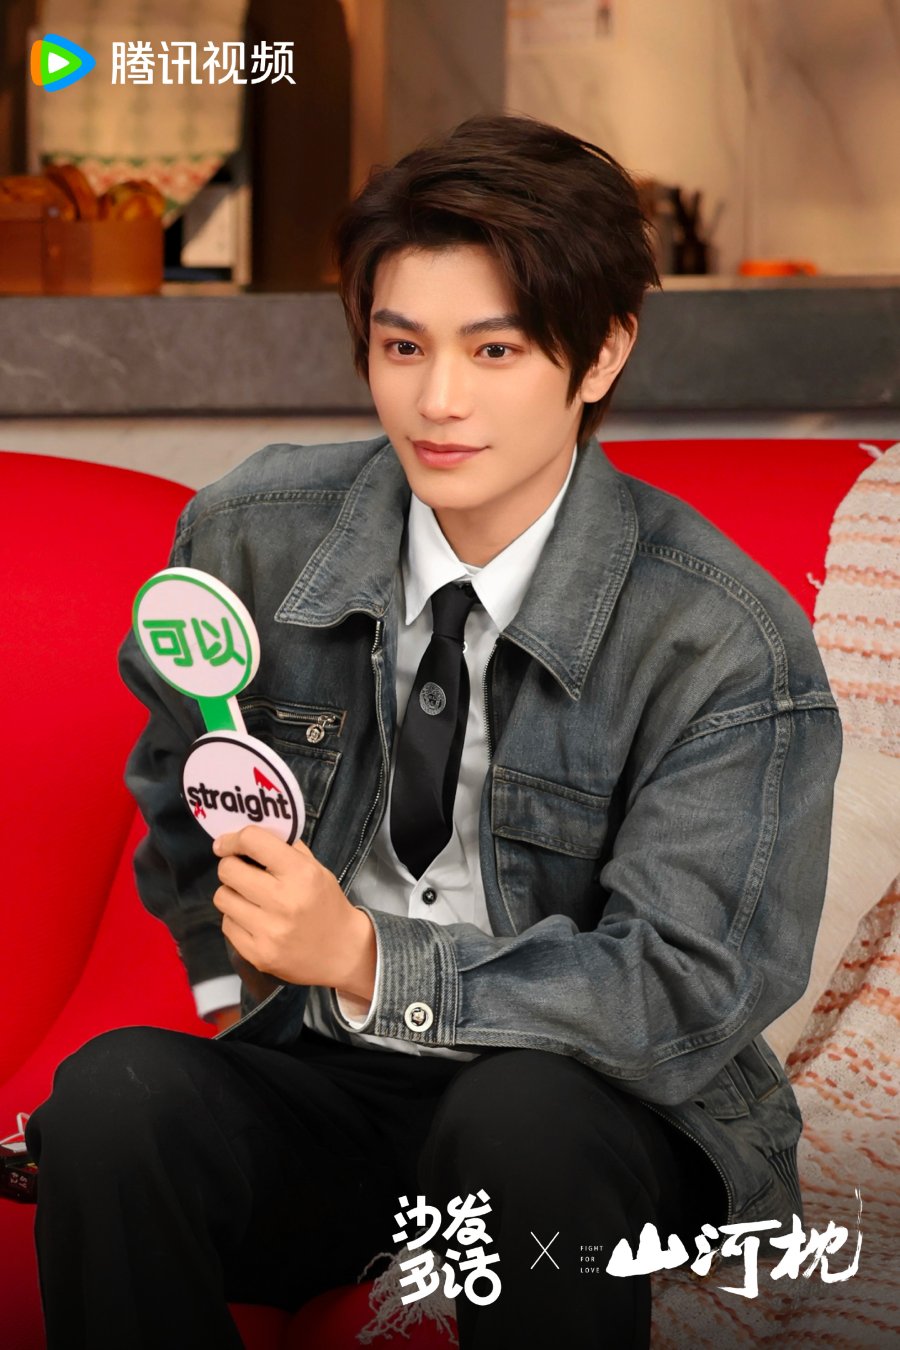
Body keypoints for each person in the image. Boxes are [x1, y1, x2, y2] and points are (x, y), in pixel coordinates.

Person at [25, 113, 841, 1349]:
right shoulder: (251, 535)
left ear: (603, 351)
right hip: (341, 1088)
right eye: (402, 345)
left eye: (494, 349)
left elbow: (684, 990)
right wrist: (233, 984)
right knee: (110, 1102)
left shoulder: (723, 636)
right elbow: (182, 776)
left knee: (519, 1120)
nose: (438, 400)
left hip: (602, 1120)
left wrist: (370, 959)